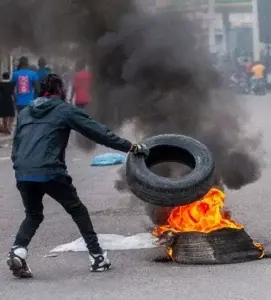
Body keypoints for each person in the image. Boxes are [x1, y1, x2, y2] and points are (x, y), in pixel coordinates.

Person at [7, 73, 149, 278]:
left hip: (23, 173)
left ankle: (18, 250)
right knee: (78, 211)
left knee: (33, 214)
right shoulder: (64, 110)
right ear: (60, 91)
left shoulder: (26, 112)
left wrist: (20, 167)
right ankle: (98, 257)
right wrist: (130, 147)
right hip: (50, 171)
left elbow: (16, 146)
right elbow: (98, 132)